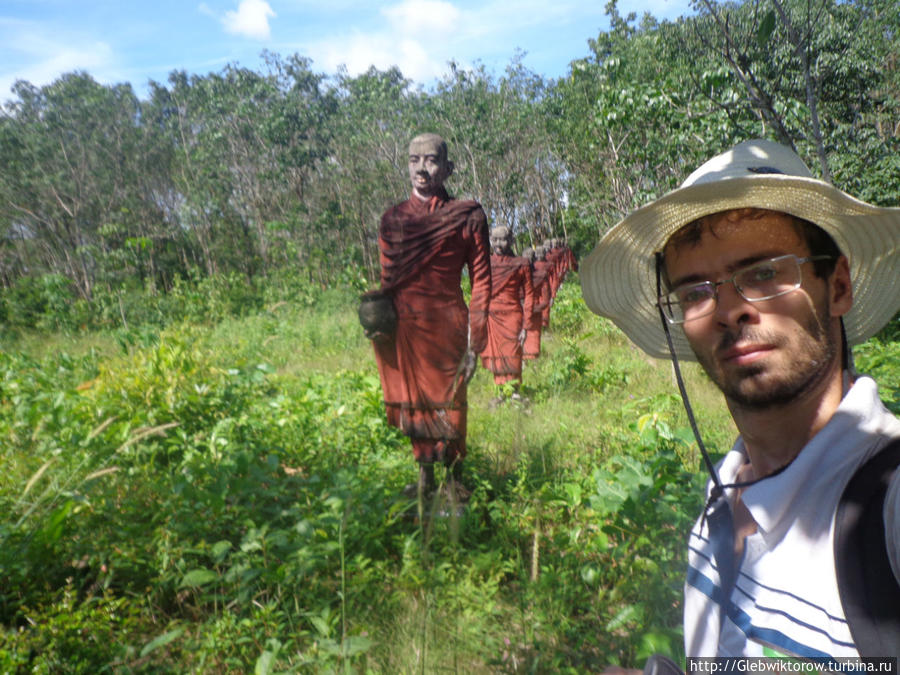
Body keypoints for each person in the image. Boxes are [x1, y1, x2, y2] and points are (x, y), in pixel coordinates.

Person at [581, 139, 900, 660]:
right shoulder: (724, 487)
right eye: (695, 292)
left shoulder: (886, 503)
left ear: (838, 286)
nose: (728, 310)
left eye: (765, 273)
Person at [364, 132, 491, 498]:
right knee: (415, 405)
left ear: (448, 168)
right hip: (406, 328)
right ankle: (424, 479)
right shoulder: (393, 219)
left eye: (431, 160)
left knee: (451, 404)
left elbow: (482, 280)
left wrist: (476, 340)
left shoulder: (468, 215)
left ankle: (454, 478)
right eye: (414, 160)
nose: (422, 168)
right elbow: (389, 281)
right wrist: (378, 323)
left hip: (449, 325)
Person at [480, 226, 534, 403]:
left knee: (513, 352)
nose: (498, 244)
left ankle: (515, 391)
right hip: (491, 316)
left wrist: (527, 325)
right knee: (496, 354)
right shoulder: (485, 263)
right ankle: (501, 392)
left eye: (502, 239)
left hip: (512, 315)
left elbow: (529, 295)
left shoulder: (521, 263)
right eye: (494, 239)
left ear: (511, 240)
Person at [524, 245, 552, 359]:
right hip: (527, 309)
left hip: (528, 309)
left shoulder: (540, 274)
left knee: (530, 337)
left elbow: (546, 296)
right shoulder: (515, 274)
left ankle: (530, 359)